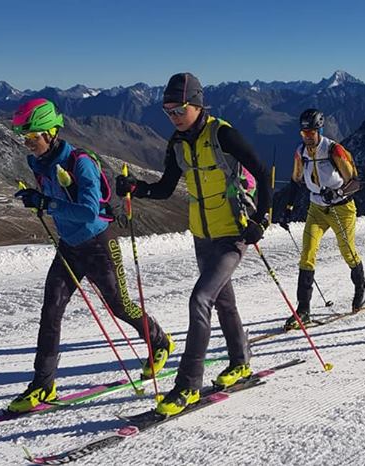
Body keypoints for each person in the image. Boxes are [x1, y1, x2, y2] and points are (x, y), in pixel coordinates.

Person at [114, 73, 272, 416]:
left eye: (179, 109)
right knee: (223, 302)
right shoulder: (178, 143)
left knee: (200, 299)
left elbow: (261, 170)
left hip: (233, 233)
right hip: (202, 235)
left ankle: (187, 385)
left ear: (198, 105)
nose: (173, 116)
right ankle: (241, 362)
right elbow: (166, 187)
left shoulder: (223, 134)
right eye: (167, 110)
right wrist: (135, 188)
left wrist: (263, 218)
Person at [8, 98, 173, 413]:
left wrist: (45, 203)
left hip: (98, 242)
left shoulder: (80, 162)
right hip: (69, 246)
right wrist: (38, 198)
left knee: (120, 306)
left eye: (32, 138)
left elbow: (87, 211)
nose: (28, 144)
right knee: (51, 311)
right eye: (24, 139)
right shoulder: (39, 163)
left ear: (51, 132)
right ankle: (42, 385)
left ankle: (160, 342)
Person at [274, 109, 365, 330]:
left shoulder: (334, 150)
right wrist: (287, 209)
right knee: (307, 254)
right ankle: (303, 310)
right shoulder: (300, 153)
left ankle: (360, 288)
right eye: (303, 131)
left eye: (311, 131)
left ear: (319, 130)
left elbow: (355, 182)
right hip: (317, 208)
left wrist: (337, 193)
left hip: (342, 209)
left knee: (347, 250)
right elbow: (296, 182)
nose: (307, 136)